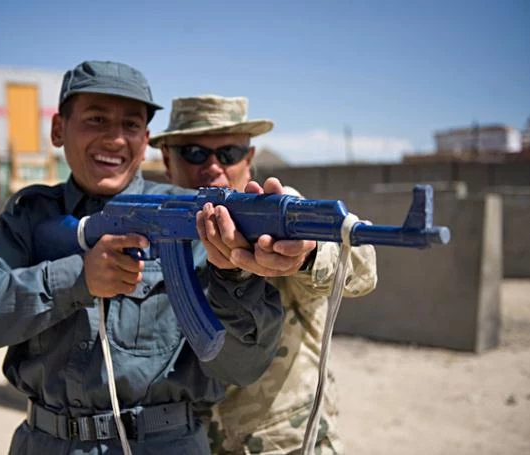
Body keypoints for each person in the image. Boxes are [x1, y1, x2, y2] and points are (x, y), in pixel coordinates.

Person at [0, 62, 300, 455]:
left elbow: (242, 368)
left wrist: (235, 277)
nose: (116, 139)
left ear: (145, 139)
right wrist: (75, 279)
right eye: (97, 119)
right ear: (58, 130)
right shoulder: (32, 216)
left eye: (131, 126)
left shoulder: (189, 215)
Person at [150, 94, 378, 454]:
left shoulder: (278, 216)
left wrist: (306, 253)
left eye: (228, 153)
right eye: (193, 152)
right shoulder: (159, 222)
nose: (213, 166)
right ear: (166, 159)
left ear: (249, 159)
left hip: (282, 444)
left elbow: (361, 265)